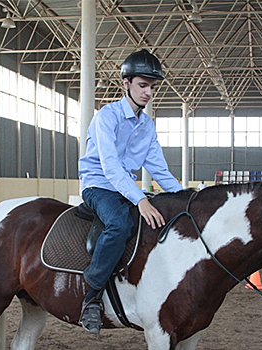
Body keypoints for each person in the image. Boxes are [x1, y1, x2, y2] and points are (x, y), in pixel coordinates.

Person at [78, 49, 183, 334]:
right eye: (143, 85)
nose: (149, 92)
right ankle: (91, 296)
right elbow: (110, 168)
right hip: (99, 185)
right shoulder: (106, 117)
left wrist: (186, 198)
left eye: (152, 87)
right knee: (120, 223)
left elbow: (159, 169)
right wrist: (140, 200)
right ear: (126, 83)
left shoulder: (147, 126)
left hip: (125, 189)